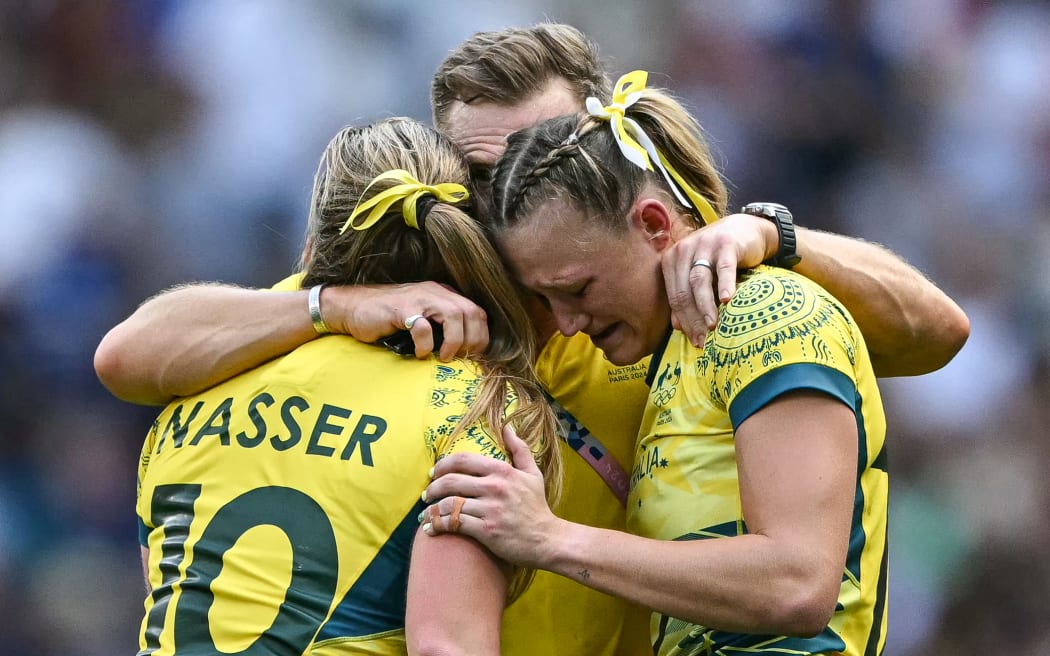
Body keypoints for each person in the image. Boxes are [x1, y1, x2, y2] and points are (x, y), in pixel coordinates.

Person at [96, 24, 964, 656]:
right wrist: (324, 303)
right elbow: (132, 354)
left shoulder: (673, 302)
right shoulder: (404, 309)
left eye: (537, 154)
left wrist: (770, 232)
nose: (510, 189)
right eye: (481, 173)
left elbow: (934, 333)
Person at [422, 70, 888, 655]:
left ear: (653, 225)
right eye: (547, 300)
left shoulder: (765, 310)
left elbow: (797, 584)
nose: (568, 324)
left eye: (579, 289)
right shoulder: (672, 353)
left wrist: (548, 538)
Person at [134, 117, 562, 655]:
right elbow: (445, 646)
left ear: (312, 247)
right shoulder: (481, 408)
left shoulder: (198, 385)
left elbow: (165, 591)